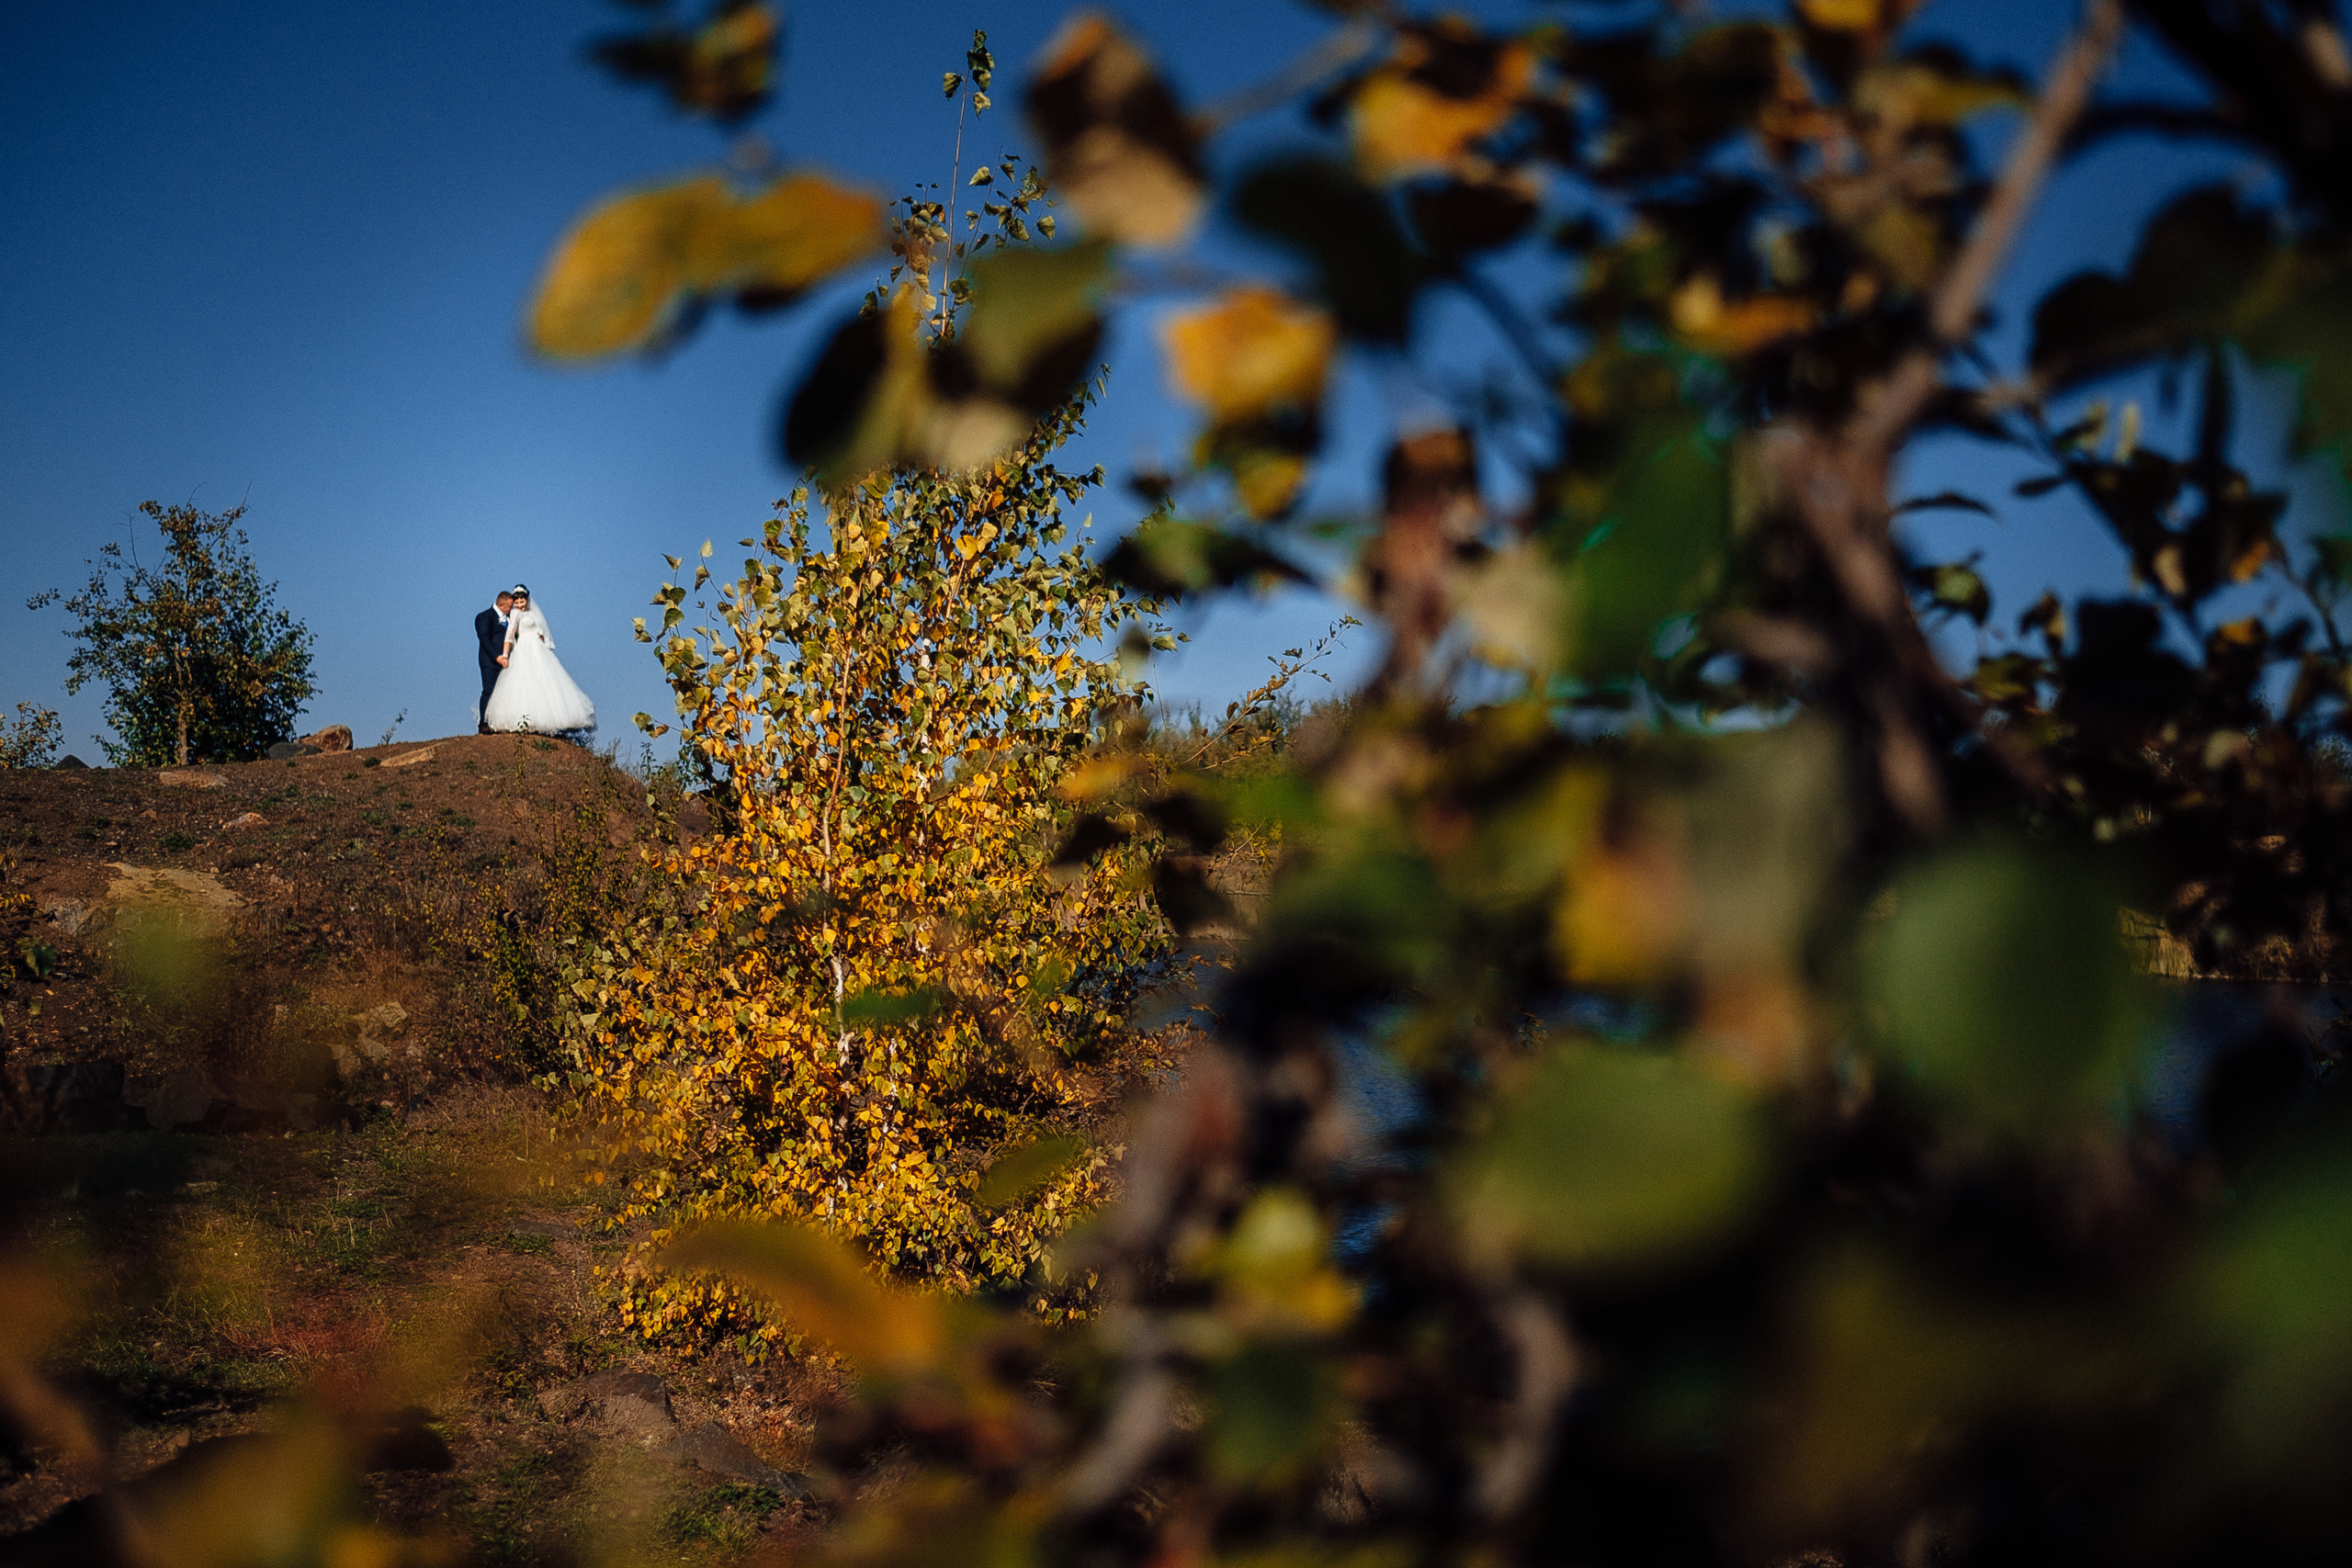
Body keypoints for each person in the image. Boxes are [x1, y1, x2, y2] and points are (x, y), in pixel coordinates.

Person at [482, 584, 595, 736]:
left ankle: (543, 720)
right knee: (524, 682)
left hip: (537, 649)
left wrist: (541, 638)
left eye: (522, 601)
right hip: (523, 648)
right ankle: (523, 719)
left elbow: (541, 629)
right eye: (517, 602)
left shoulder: (534, 613)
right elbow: (509, 635)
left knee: (543, 681)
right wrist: (505, 654)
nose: (520, 605)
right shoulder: (515, 614)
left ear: (527, 600)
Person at [473, 589, 514, 734]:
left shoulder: (510, 619)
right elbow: (485, 640)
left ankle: (500, 723)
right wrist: (497, 657)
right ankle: (484, 722)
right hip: (489, 662)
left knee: (504, 693)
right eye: (510, 606)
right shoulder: (484, 617)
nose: (511, 609)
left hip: (507, 662)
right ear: (501, 605)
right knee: (489, 691)